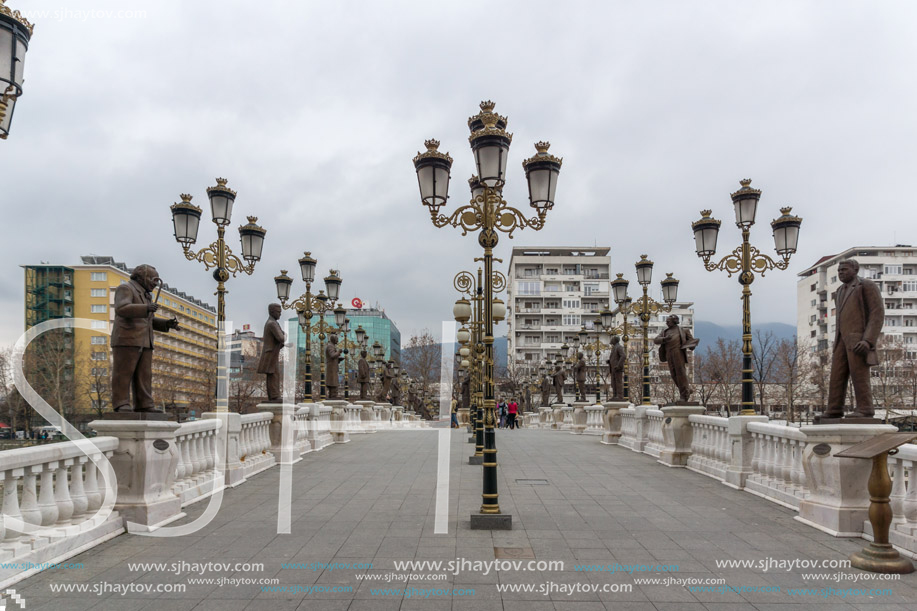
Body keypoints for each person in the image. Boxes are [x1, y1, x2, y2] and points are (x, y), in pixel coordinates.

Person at [111, 264, 180, 413]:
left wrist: (166, 324)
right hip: (127, 338)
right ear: (142, 277)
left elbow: (148, 320)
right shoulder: (126, 288)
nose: (156, 284)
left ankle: (144, 404)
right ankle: (121, 403)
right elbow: (121, 308)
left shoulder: (146, 295)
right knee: (123, 373)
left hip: (145, 340)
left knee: (144, 375)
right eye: (154, 280)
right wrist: (146, 308)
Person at [824, 259, 884, 419]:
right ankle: (834, 409)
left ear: (855, 270)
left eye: (844, 269)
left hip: (859, 340)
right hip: (841, 339)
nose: (840, 273)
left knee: (859, 375)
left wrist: (868, 340)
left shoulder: (866, 286)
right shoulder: (839, 290)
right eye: (839, 271)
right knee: (836, 376)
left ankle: (865, 408)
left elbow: (877, 314)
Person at [653, 314, 698, 403]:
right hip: (669, 354)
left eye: (668, 321)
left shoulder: (684, 330)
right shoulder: (665, 331)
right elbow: (656, 340)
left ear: (674, 321)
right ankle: (687, 389)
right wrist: (665, 339)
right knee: (674, 375)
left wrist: (692, 346)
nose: (666, 323)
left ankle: (684, 395)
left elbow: (691, 341)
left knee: (681, 373)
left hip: (678, 353)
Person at [257, 303, 287, 403]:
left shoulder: (272, 322)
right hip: (271, 354)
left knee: (272, 374)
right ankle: (274, 396)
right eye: (278, 312)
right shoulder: (272, 323)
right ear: (272, 312)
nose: (280, 314)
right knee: (274, 374)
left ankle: (273, 396)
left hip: (271, 353)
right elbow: (281, 338)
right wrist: (285, 335)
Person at [607, 335, 626, 401]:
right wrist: (609, 361)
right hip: (613, 369)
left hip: (617, 368)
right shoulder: (614, 348)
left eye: (612, 339)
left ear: (615, 340)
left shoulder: (619, 347)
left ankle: (619, 396)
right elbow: (615, 358)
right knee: (613, 383)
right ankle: (615, 395)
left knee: (618, 382)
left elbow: (623, 356)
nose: (611, 340)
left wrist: (618, 365)